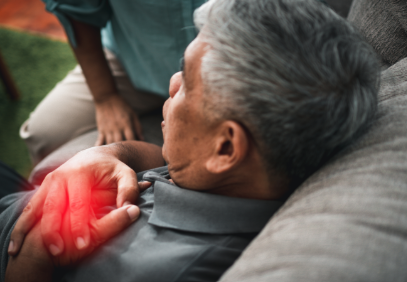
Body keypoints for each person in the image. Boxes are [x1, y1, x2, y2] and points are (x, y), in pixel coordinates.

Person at [4, 0, 380, 281]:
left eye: (187, 76)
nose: (171, 84)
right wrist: (112, 152)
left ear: (226, 148)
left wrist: (39, 249)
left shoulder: (169, 269)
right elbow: (169, 164)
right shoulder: (233, 180)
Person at [19, 0, 206, 165]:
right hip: (132, 59)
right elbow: (74, 6)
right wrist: (105, 96)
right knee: (42, 133)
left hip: (220, 78)